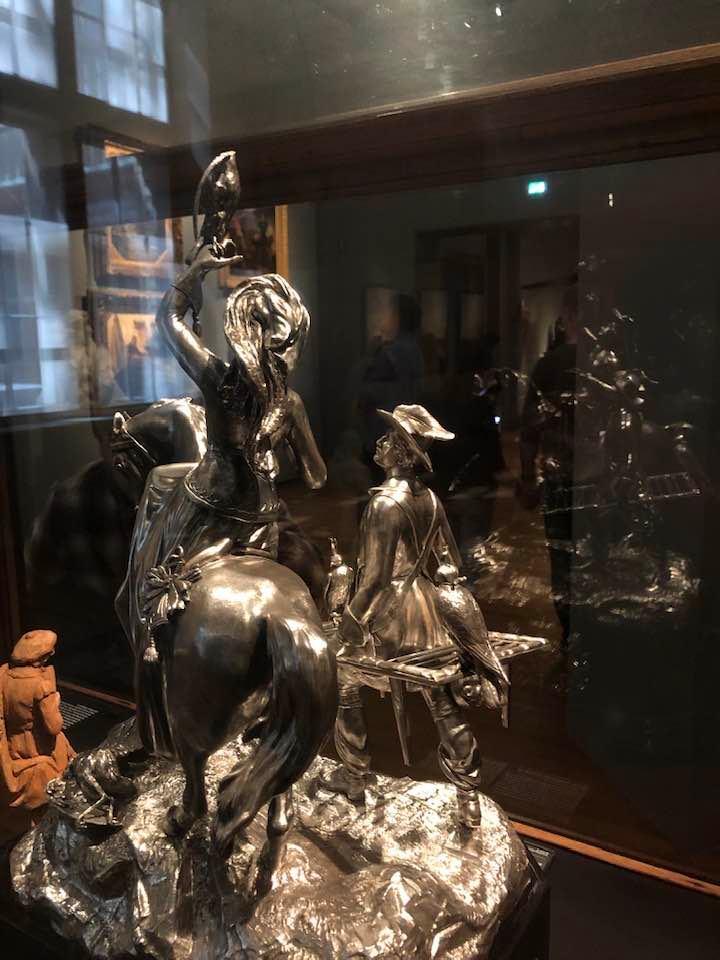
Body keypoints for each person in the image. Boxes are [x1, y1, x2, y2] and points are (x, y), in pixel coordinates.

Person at [118, 252, 325, 756]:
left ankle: (156, 691)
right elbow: (317, 477)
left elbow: (168, 320)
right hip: (263, 522)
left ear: (238, 332)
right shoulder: (291, 402)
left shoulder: (217, 379)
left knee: (134, 596)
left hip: (204, 510)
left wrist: (196, 272)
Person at [327, 404, 507, 827]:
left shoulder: (384, 505)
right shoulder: (430, 498)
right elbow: (450, 562)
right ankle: (468, 794)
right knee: (441, 700)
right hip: (428, 609)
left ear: (404, 452)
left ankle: (355, 775)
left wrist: (350, 623)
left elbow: (375, 580)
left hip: (390, 615)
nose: (381, 442)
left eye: (390, 438)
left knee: (342, 676)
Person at [0, 630, 74, 836]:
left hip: (14, 747)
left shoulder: (3, 674)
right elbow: (54, 727)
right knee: (57, 780)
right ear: (42, 657)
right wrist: (55, 700)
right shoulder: (41, 686)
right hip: (40, 747)